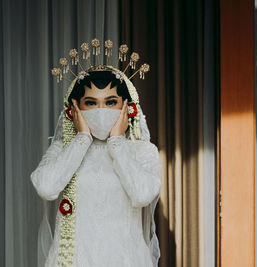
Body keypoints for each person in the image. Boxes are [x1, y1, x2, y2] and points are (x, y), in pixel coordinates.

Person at [30, 40, 162, 267]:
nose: (101, 111)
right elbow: (46, 188)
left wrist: (117, 143)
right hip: (74, 260)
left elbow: (142, 195)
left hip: (126, 260)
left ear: (127, 107)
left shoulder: (142, 150)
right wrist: (81, 140)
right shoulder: (64, 149)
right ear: (76, 109)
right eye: (91, 103)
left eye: (111, 102)